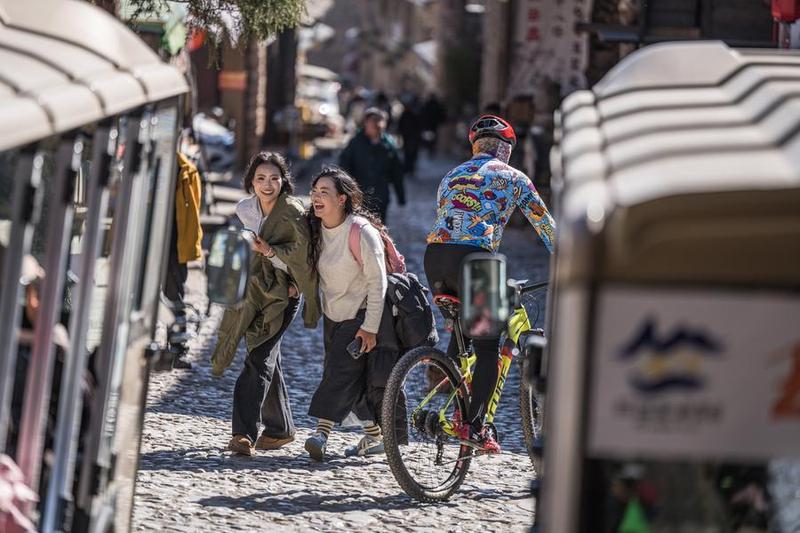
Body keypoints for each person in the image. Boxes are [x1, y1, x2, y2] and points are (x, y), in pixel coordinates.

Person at [424, 114, 556, 453]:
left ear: (475, 146)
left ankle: (447, 388)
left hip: (435, 258)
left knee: (462, 330)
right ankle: (475, 426)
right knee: (486, 349)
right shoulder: (514, 177)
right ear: (506, 148)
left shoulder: (451, 175)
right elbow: (545, 227)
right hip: (477, 261)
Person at [210, 152, 320, 457]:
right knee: (268, 358)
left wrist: (272, 255)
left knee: (258, 358)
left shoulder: (293, 212)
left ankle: (243, 433)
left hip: (285, 295)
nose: (267, 185)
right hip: (255, 291)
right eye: (260, 178)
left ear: (284, 181)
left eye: (274, 178)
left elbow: (304, 257)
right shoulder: (245, 209)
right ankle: (280, 428)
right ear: (251, 182)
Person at [303, 167, 396, 461]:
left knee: (337, 374)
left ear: (342, 199)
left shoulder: (360, 231)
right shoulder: (315, 230)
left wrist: (370, 327)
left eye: (325, 192)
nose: (317, 198)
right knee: (352, 381)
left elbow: (378, 282)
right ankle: (375, 437)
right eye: (314, 192)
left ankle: (320, 435)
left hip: (360, 315)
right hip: (333, 316)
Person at [163, 149, 203, 369]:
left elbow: (194, 213)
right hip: (145, 242)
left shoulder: (187, 170)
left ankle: (177, 350)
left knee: (174, 297)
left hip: (174, 246)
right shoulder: (146, 160)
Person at [339, 107, 405, 223]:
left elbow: (396, 172)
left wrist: (401, 196)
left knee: (380, 226)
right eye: (373, 121)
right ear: (366, 123)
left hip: (381, 196)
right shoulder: (355, 143)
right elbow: (344, 168)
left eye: (380, 121)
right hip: (360, 195)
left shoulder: (388, 144)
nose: (377, 125)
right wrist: (346, 191)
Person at [398, 94, 422, 179]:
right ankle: (408, 168)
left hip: (411, 137)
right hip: (409, 136)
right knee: (409, 153)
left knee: (410, 153)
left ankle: (409, 168)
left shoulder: (413, 113)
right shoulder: (410, 113)